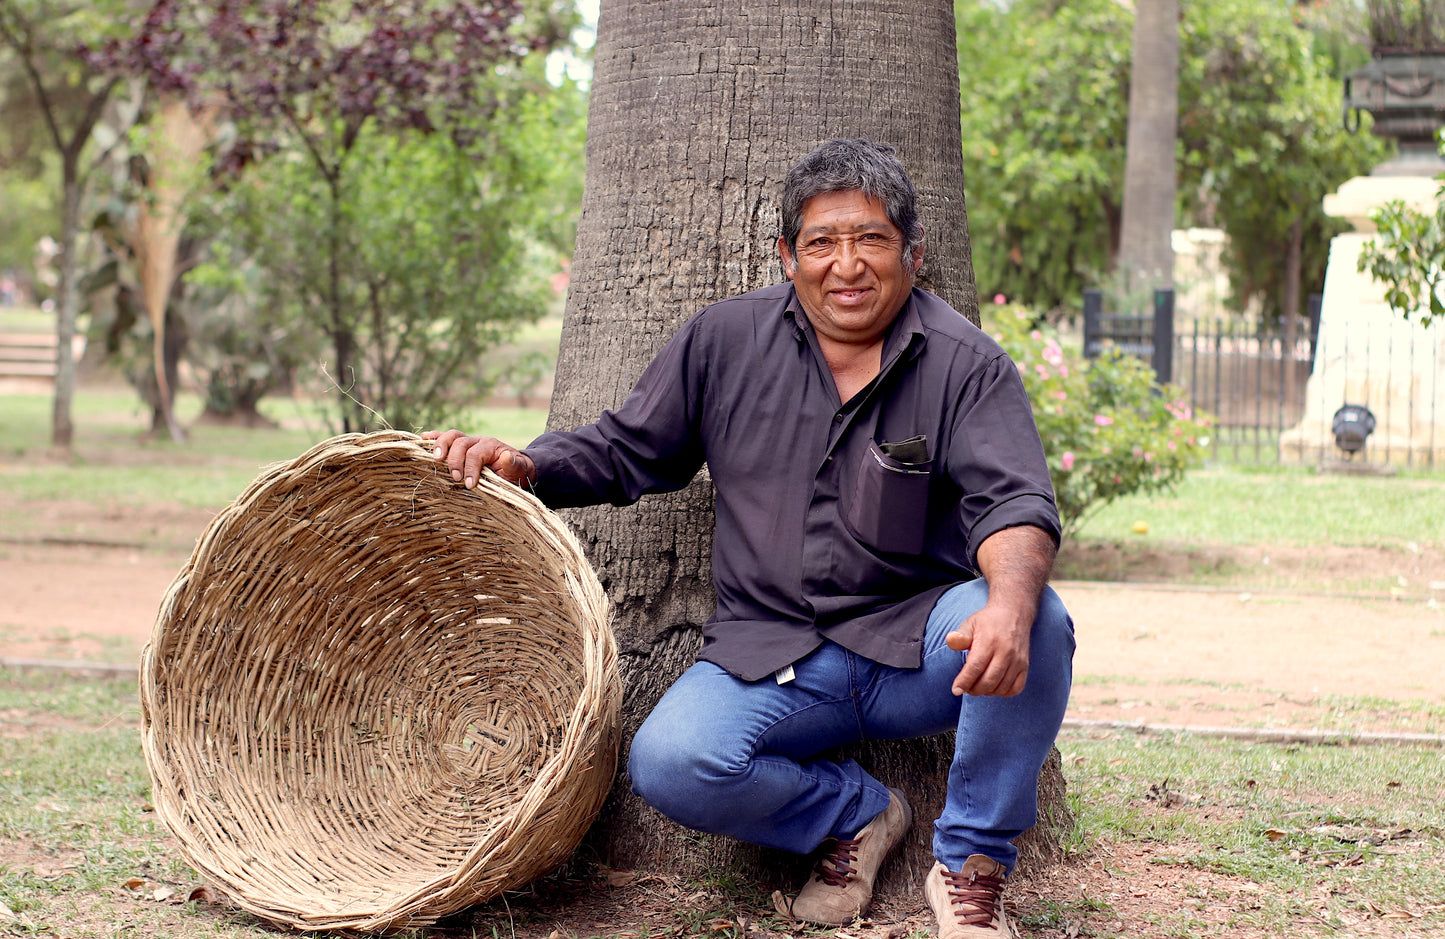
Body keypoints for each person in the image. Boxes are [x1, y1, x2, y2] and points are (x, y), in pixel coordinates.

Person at [425, 138, 1074, 939]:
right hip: (772, 655)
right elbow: (630, 448)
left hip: (918, 646)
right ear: (785, 256)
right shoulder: (724, 341)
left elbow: (1013, 501)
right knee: (672, 763)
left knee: (1037, 620)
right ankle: (858, 814)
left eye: (870, 239)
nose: (847, 264)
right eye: (821, 243)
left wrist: (1006, 604)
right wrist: (525, 462)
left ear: (912, 250)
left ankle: (970, 866)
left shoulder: (967, 365)